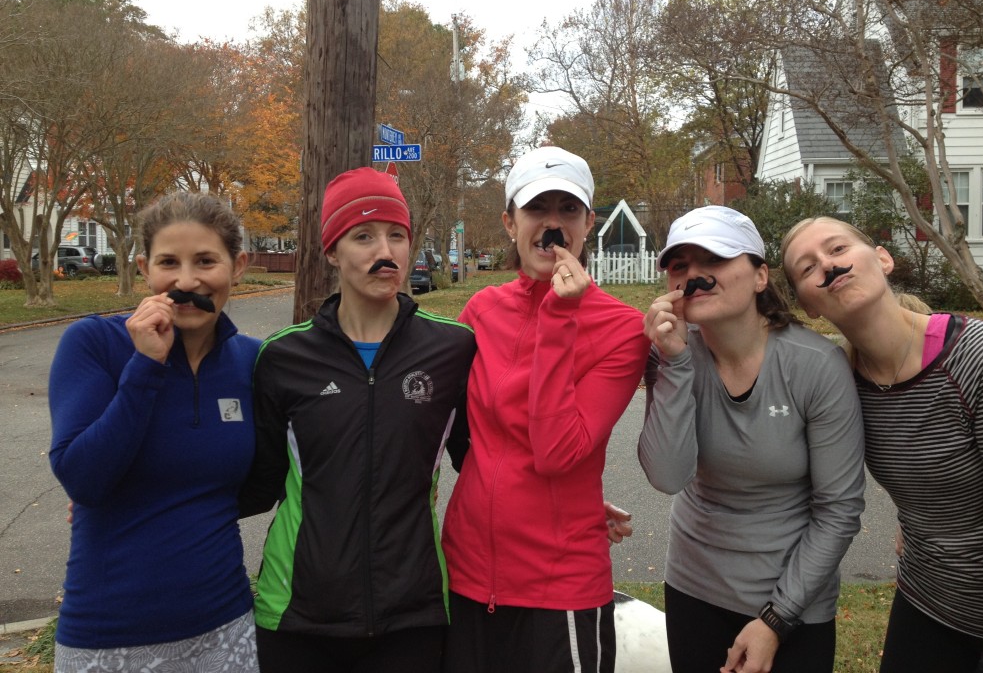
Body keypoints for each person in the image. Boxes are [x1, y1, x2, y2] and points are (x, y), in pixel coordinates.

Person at [238, 167, 477, 673]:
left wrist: (565, 499)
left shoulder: (451, 350)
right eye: (363, 237)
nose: (384, 252)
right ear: (331, 252)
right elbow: (254, 483)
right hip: (297, 614)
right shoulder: (284, 358)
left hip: (411, 614)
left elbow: (485, 461)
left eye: (397, 236)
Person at [781, 216, 983, 673]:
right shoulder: (841, 383)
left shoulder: (981, 358)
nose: (828, 268)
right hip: (925, 601)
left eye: (837, 250)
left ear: (883, 259)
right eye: (808, 268)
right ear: (807, 306)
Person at [440, 146, 650, 673]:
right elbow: (458, 435)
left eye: (568, 210)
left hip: (560, 588)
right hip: (467, 573)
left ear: (588, 225)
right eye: (537, 209)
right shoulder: (481, 311)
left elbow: (558, 454)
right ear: (511, 223)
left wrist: (561, 317)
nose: (553, 224)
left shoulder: (622, 328)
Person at [638, 206, 865, 673]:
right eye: (680, 266)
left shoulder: (815, 366)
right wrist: (675, 363)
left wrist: (776, 618)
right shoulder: (672, 354)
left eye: (714, 259)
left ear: (760, 276)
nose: (694, 276)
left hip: (792, 598)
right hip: (693, 586)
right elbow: (667, 475)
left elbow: (839, 509)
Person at [48, 192, 258, 673]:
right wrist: (146, 363)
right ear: (144, 268)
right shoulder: (96, 343)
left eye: (206, 261)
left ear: (238, 265)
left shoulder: (250, 361)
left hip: (225, 628)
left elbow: (260, 477)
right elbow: (83, 480)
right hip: (110, 636)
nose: (187, 281)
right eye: (168, 262)